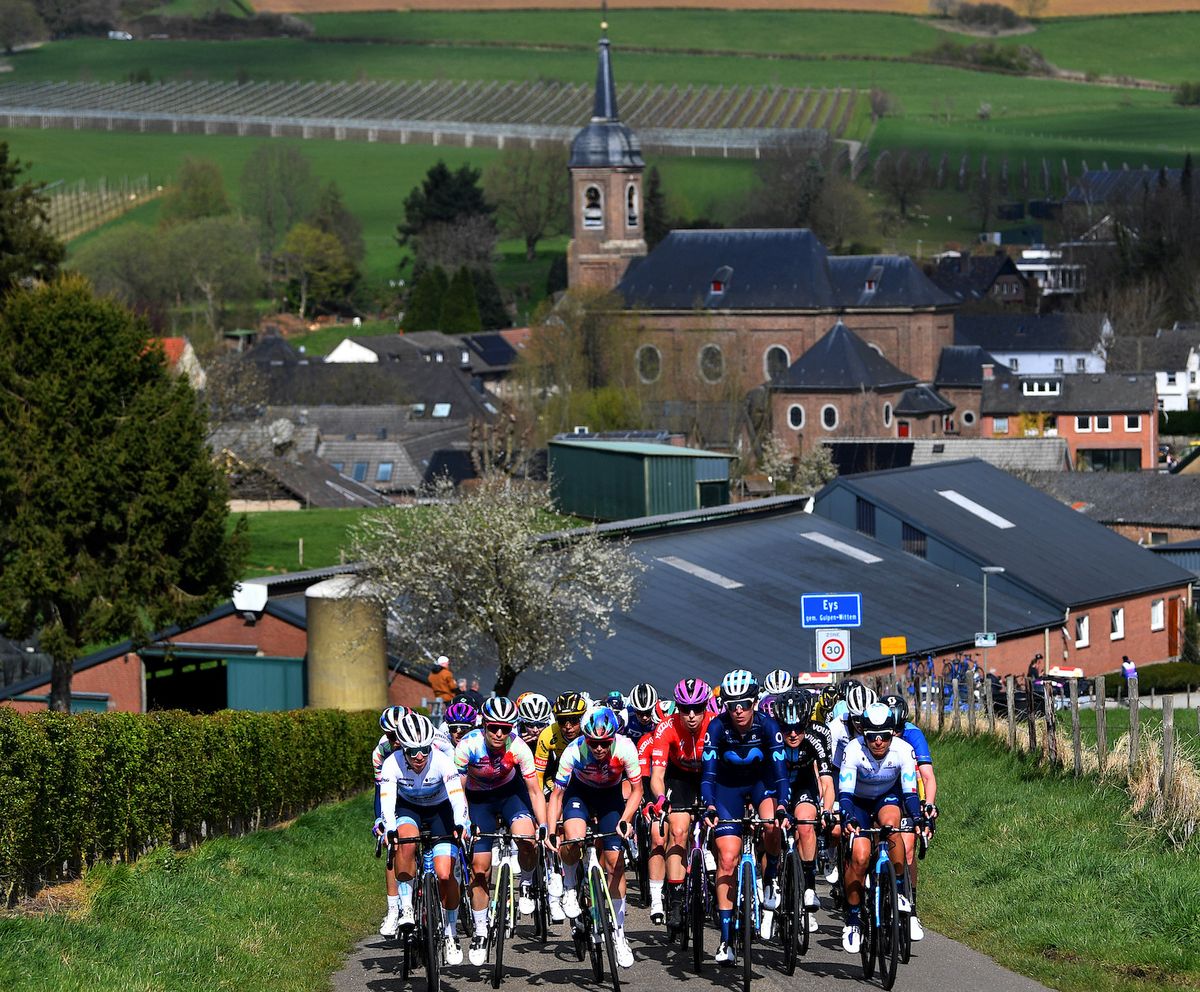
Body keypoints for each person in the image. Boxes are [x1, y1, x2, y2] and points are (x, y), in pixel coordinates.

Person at [701, 670, 789, 966]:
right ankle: (726, 938)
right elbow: (708, 774)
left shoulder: (768, 725)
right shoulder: (717, 727)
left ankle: (771, 878)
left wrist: (782, 805)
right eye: (732, 705)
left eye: (745, 704)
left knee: (772, 828)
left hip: (760, 785)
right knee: (727, 858)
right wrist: (710, 805)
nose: (739, 710)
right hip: (727, 790)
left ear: (755, 703)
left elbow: (780, 773)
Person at [547, 705, 643, 968]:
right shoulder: (573, 750)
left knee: (615, 862)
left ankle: (619, 934)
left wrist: (625, 819)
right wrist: (551, 829)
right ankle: (568, 886)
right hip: (579, 794)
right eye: (594, 743)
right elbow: (556, 795)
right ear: (586, 739)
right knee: (574, 839)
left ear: (613, 739)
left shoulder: (625, 748)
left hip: (610, 798)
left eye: (604, 743)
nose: (599, 749)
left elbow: (636, 790)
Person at [454, 696, 547, 967]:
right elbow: (457, 791)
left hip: (510, 796)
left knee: (526, 838)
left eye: (506, 728)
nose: (499, 733)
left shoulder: (518, 748)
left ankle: (527, 883)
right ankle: (481, 932)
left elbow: (534, 791)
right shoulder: (468, 745)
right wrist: (464, 822)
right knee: (480, 869)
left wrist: (543, 825)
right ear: (484, 725)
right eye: (494, 727)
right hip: (478, 801)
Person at [378, 712, 471, 965]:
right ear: (403, 749)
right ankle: (406, 906)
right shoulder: (392, 763)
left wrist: (461, 823)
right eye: (412, 752)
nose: (419, 757)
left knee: (444, 873)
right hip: (410, 809)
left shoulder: (442, 761)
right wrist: (389, 828)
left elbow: (456, 796)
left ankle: (451, 933)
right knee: (405, 844)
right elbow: (387, 801)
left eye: (424, 750)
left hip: (440, 810)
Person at [837, 703, 923, 955]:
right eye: (872, 736)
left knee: (891, 826)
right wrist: (848, 817)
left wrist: (917, 817)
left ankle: (897, 888)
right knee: (860, 857)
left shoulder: (904, 750)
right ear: (863, 734)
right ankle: (853, 919)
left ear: (892, 734)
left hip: (887, 797)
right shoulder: (853, 750)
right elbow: (845, 794)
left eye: (884, 736)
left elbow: (909, 793)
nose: (877, 742)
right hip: (859, 803)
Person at [648, 677, 714, 929]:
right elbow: (657, 776)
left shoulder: (715, 725)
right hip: (680, 777)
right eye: (685, 709)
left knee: (724, 830)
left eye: (698, 708)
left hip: (709, 775)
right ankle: (675, 901)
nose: (692, 715)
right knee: (677, 831)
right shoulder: (666, 728)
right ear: (677, 708)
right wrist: (662, 798)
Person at [774, 690, 834, 934]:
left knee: (806, 824)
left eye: (798, 728)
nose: (792, 734)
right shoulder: (771, 736)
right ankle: (768, 883)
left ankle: (808, 887)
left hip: (802, 786)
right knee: (768, 829)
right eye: (787, 729)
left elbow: (828, 782)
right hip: (775, 785)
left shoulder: (818, 735)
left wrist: (827, 809)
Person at [880, 692, 937, 942]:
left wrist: (929, 807)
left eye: (897, 731)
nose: (891, 737)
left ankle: (911, 908)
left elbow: (927, 776)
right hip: (879, 792)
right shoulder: (874, 733)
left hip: (908, 792)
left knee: (909, 848)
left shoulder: (913, 734)